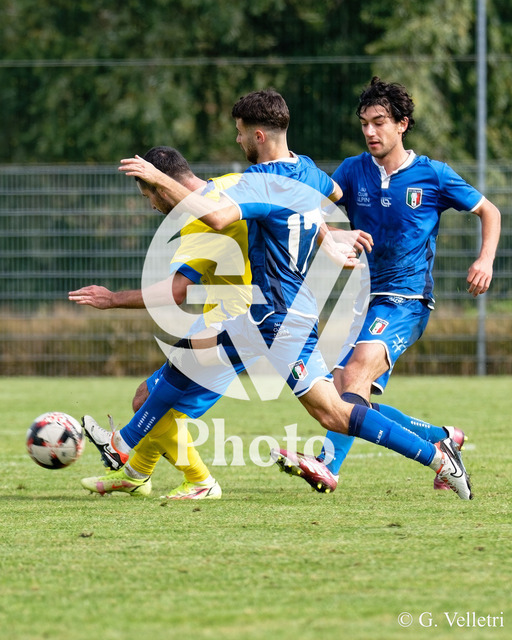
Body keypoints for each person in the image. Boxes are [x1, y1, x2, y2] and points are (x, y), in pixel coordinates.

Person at [85, 88, 474, 500]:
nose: (237, 139)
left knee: (330, 412)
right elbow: (332, 196)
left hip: (274, 318)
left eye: (240, 132)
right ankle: (122, 445)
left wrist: (159, 178)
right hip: (278, 313)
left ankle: (437, 457)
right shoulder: (307, 170)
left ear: (258, 136)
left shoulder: (260, 182)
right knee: (195, 360)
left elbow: (218, 216)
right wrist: (327, 235)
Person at [271, 77, 501, 494]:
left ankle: (328, 465)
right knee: (343, 392)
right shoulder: (353, 170)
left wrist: (484, 260)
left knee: (355, 376)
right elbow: (313, 213)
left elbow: (490, 211)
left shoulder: (432, 174)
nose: (370, 132)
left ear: (402, 124)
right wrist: (331, 235)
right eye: (364, 124)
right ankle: (440, 438)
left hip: (407, 299)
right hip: (365, 297)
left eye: (379, 122)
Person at [71, 145, 252, 499]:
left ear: (162, 185)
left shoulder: (197, 225)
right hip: (233, 320)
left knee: (155, 404)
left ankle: (198, 481)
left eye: (148, 196)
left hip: (235, 324)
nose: (151, 206)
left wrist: (112, 299)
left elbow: (176, 291)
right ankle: (137, 474)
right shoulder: (232, 184)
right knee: (146, 397)